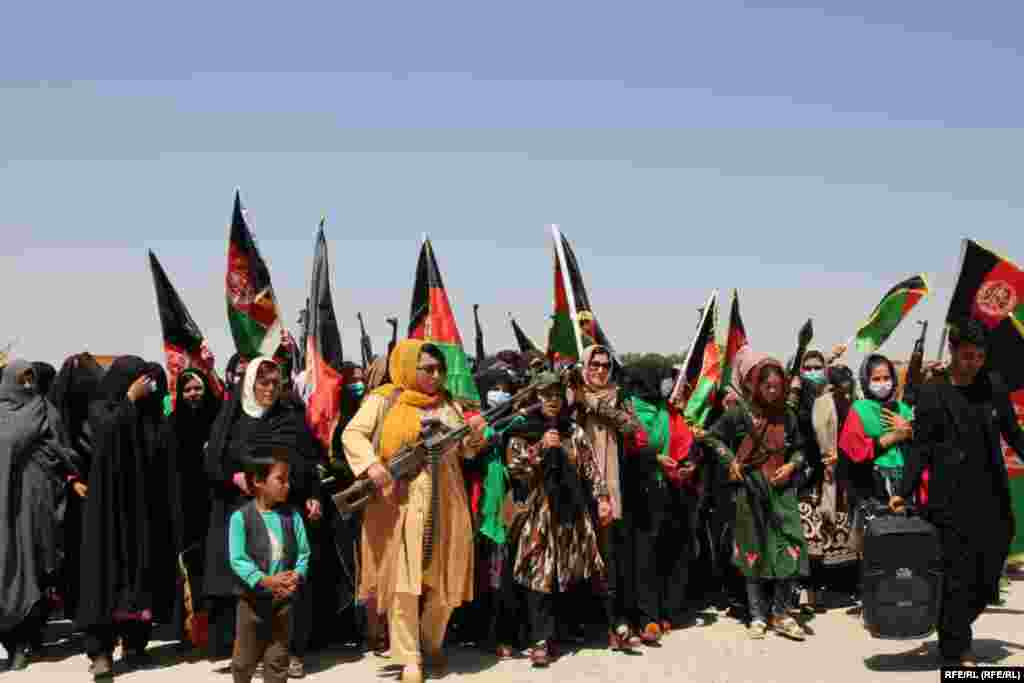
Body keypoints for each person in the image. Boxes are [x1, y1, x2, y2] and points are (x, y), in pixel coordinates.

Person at [342, 340, 488, 683]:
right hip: (402, 501)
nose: (436, 377)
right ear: (409, 367)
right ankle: (409, 656)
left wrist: (476, 436)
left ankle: (430, 641)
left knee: (447, 578)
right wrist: (372, 468)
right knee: (405, 583)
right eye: (428, 369)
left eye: (439, 370)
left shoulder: (449, 404)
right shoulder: (386, 399)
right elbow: (353, 435)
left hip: (447, 500)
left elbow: (465, 452)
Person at [891, 319, 1024, 667]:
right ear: (952, 351)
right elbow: (920, 448)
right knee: (958, 574)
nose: (974, 363)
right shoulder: (933, 392)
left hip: (992, 495)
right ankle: (957, 649)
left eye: (980, 356)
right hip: (949, 499)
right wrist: (903, 492)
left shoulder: (992, 385)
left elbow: (1012, 432)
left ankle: (956, 623)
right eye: (967, 356)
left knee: (989, 566)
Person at [203, 358, 319, 675]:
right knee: (246, 582)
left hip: (281, 512)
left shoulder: (289, 418)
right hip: (240, 511)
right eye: (263, 382)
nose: (269, 389)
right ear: (250, 384)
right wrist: (234, 477)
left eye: (275, 383)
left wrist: (312, 494)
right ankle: (245, 654)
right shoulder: (232, 417)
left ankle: (288, 653)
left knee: (287, 584)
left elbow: (307, 461)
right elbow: (214, 459)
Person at [77, 356, 181, 679]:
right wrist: (128, 401)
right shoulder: (101, 407)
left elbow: (162, 450)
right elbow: (105, 436)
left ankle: (136, 644)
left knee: (142, 572)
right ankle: (101, 652)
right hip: (108, 510)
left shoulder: (151, 414)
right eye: (134, 380)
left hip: (143, 510)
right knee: (104, 576)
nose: (142, 386)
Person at [504, 372, 610, 666]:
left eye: (556, 394)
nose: (551, 400)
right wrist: (540, 448)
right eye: (545, 394)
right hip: (538, 514)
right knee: (540, 573)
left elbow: (590, 466)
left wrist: (602, 498)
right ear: (535, 397)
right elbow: (515, 467)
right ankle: (540, 639)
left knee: (569, 571)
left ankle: (564, 631)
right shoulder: (524, 429)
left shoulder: (572, 430)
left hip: (572, 512)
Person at [702, 353, 809, 641]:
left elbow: (800, 449)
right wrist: (731, 461)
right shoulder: (739, 413)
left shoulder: (788, 415)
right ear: (756, 386)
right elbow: (710, 437)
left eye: (777, 386)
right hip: (750, 490)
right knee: (753, 552)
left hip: (782, 492)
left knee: (790, 549)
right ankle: (758, 615)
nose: (773, 391)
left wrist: (791, 465)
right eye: (767, 386)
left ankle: (782, 613)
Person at [0, 360, 84, 671]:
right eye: (19, 380)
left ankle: (25, 641)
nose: (25, 386)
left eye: (29, 380)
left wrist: (67, 478)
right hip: (3, 508)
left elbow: (63, 452)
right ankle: (12, 640)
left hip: (37, 507)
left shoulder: (46, 411)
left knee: (34, 568)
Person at [569, 344, 647, 651]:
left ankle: (616, 622)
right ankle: (577, 624)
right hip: (576, 484)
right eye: (594, 365)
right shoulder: (571, 398)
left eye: (605, 365)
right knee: (577, 553)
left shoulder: (620, 397)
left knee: (609, 555)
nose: (600, 370)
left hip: (613, 486)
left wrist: (595, 404)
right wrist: (579, 400)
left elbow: (632, 427)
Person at [229, 449, 311, 683]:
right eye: (280, 480)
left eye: (288, 480)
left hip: (283, 602)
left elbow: (304, 552)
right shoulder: (240, 518)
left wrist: (296, 577)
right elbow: (238, 559)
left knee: (277, 659)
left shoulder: (292, 516)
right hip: (251, 602)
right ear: (258, 481)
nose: (287, 485)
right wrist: (266, 580)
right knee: (244, 661)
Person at [166, 369, 223, 646]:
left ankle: (218, 629)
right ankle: (191, 631)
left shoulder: (219, 419)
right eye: (187, 389)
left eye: (197, 388)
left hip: (216, 503)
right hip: (186, 506)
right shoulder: (173, 423)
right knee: (190, 568)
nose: (193, 394)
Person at [49, 353, 105, 621]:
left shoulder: (103, 413)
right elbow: (51, 454)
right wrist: (71, 481)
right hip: (70, 498)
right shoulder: (55, 416)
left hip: (103, 493)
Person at [802, 364, 859, 609]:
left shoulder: (852, 403)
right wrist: (826, 458)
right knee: (815, 537)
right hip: (818, 479)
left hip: (843, 476)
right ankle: (810, 595)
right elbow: (813, 437)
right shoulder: (820, 403)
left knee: (841, 534)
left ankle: (840, 591)